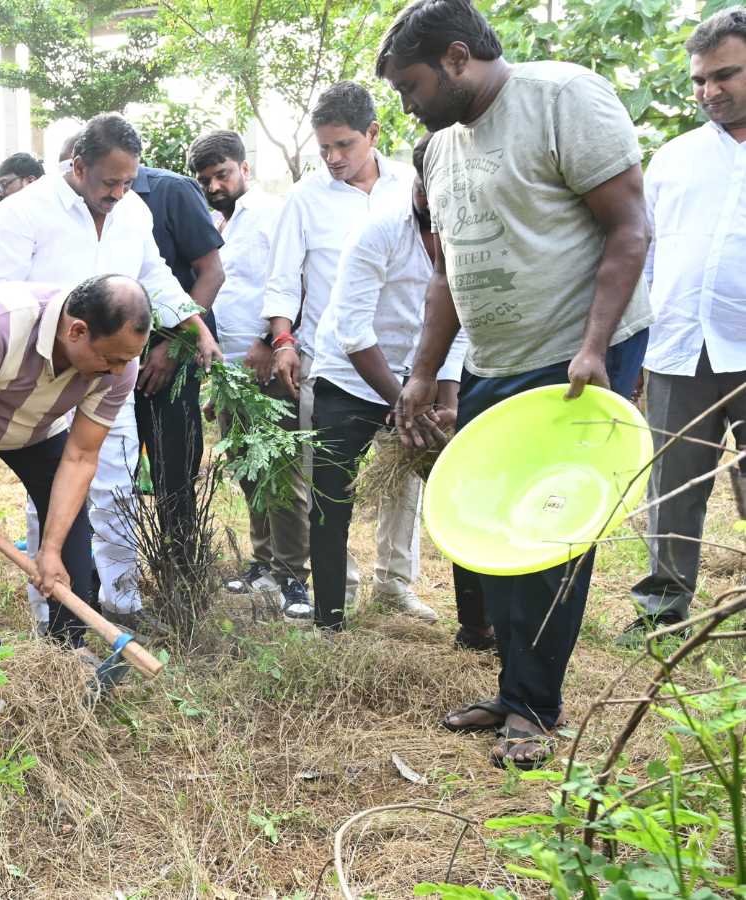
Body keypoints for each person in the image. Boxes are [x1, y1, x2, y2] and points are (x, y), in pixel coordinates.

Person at [379, 0, 652, 767]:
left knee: (548, 535)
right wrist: (424, 371)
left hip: (576, 355)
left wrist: (594, 349)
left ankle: (536, 707)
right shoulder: (438, 149)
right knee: (490, 530)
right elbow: (445, 275)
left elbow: (628, 228)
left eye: (412, 85)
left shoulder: (564, 98)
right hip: (495, 358)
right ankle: (513, 689)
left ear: (458, 57)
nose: (407, 103)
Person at [0, 112, 224, 632]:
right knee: (51, 494)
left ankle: (121, 605)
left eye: (128, 181)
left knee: (116, 487)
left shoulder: (132, 211)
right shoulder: (24, 211)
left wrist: (193, 323)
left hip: (112, 374)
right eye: (109, 182)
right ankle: (55, 616)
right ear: (78, 165)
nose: (118, 193)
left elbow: (152, 272)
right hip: (46, 376)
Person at [261, 82, 430, 623]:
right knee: (332, 485)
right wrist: (284, 341)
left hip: (411, 355)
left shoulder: (411, 185)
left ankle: (395, 581)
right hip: (337, 361)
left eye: (345, 146)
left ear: (374, 135)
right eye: (325, 148)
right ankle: (340, 589)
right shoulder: (305, 199)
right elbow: (284, 278)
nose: (333, 158)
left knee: (401, 475)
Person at [0, 276, 151, 648]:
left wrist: (50, 549)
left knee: (70, 518)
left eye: (126, 361)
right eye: (110, 359)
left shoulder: (119, 368)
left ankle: (67, 647)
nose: (119, 372)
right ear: (77, 331)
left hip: (35, 423)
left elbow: (81, 456)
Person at [309, 135, 469, 631]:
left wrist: (446, 400)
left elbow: (463, 322)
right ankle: (329, 620)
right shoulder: (379, 228)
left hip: (421, 377)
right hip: (351, 377)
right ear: (419, 183)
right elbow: (351, 329)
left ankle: (432, 605)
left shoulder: (471, 230)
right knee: (331, 500)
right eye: (431, 189)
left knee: (450, 491)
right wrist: (403, 401)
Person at [622, 7, 746, 643]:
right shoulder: (672, 159)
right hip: (679, 349)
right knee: (673, 487)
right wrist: (638, 342)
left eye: (725, 75)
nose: (709, 92)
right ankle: (661, 611)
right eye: (700, 80)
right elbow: (641, 252)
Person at [187, 130, 298, 601]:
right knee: (248, 468)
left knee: (281, 468)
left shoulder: (273, 213)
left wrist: (267, 339)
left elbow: (290, 279)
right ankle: (264, 562)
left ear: (244, 169)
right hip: (229, 369)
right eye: (206, 179)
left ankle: (294, 574)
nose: (215, 186)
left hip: (268, 361)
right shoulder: (216, 224)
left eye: (223, 174)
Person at [130, 158, 224, 601]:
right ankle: (119, 573)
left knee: (173, 472)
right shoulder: (84, 199)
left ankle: (182, 576)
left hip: (174, 348)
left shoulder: (172, 191)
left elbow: (211, 273)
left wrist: (172, 346)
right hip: (110, 360)